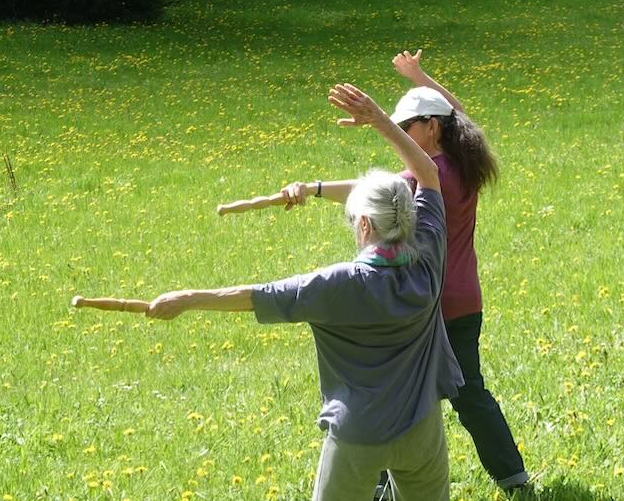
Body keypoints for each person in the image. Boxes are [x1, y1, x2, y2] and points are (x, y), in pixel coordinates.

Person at [146, 84, 463, 501]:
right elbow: (428, 173)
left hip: (358, 436)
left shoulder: (337, 285)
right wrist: (381, 122)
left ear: (365, 226)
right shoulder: (429, 255)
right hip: (422, 430)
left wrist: (186, 298)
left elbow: (255, 295)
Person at [280, 52, 530, 494]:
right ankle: (513, 478)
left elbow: (373, 195)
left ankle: (378, 484)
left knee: (391, 389)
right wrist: (420, 78)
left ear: (431, 127)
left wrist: (317, 186)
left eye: (407, 127)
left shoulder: (434, 174)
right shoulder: (464, 160)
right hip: (463, 300)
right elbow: (461, 115)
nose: (401, 134)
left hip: (426, 302)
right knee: (468, 394)